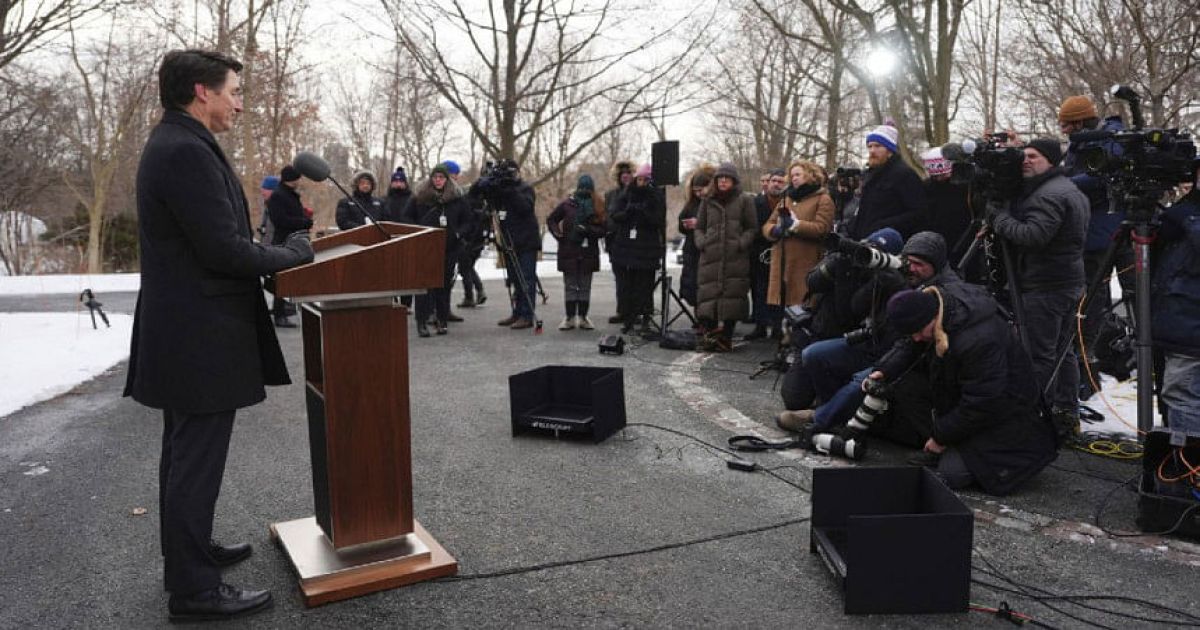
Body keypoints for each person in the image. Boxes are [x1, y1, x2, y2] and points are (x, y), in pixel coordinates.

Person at [124, 49, 314, 621]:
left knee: (185, 454)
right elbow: (223, 249)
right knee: (194, 458)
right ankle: (194, 589)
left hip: (188, 328)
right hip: (197, 334)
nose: (239, 100)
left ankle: (189, 553)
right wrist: (292, 254)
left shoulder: (180, 142)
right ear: (201, 91)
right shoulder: (182, 149)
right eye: (233, 90)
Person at [867, 287, 1058, 495]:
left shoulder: (978, 340)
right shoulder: (938, 313)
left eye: (918, 331)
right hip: (972, 399)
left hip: (1007, 414)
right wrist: (884, 370)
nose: (917, 338)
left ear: (931, 318)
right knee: (906, 387)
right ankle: (950, 444)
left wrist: (941, 437)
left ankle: (966, 450)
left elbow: (983, 402)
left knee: (952, 474)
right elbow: (909, 344)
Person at [989, 138, 1088, 439]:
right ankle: (1065, 412)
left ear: (1051, 160)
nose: (1025, 161)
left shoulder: (1047, 195)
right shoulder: (1068, 188)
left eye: (1034, 156)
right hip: (1069, 282)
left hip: (1045, 286)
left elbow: (1033, 235)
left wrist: (999, 217)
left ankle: (1033, 417)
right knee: (1063, 351)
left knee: (1040, 354)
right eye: (1024, 155)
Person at [1059, 95, 1134, 393]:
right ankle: (1088, 368)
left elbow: (1101, 177)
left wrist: (1063, 181)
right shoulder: (1083, 144)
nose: (1063, 129)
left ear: (1079, 121)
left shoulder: (1110, 142)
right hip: (1098, 234)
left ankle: (1131, 360)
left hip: (1109, 235)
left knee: (1107, 300)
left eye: (1066, 124)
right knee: (1093, 303)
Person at [1151, 161, 1200, 433]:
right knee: (1180, 397)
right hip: (1179, 324)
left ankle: (1188, 468)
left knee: (1185, 398)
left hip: (1191, 330)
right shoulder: (1184, 214)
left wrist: (1187, 218)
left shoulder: (1188, 216)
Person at [762, 160, 835, 336]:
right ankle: (784, 346)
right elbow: (767, 225)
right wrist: (776, 229)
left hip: (806, 262)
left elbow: (822, 229)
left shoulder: (823, 199)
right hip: (782, 262)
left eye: (798, 174)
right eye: (792, 175)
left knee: (802, 308)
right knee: (784, 307)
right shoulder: (787, 199)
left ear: (810, 175)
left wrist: (795, 225)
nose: (793, 179)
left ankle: (798, 346)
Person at [694, 162, 757, 351]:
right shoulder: (707, 200)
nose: (722, 182)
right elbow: (699, 227)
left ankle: (726, 338)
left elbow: (752, 228)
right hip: (710, 256)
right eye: (720, 178)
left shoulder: (745, 200)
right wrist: (702, 242)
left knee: (732, 297)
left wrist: (741, 243)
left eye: (726, 178)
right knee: (709, 296)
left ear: (733, 181)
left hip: (734, 258)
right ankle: (711, 337)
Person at [470, 159, 539, 329]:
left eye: (513, 173)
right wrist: (485, 181)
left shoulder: (525, 189)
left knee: (526, 279)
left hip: (526, 241)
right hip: (509, 241)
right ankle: (516, 313)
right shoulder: (500, 190)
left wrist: (509, 190)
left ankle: (527, 315)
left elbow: (525, 208)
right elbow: (474, 195)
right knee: (514, 279)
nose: (510, 177)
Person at [409, 162, 468, 337]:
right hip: (425, 246)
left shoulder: (457, 199)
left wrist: (458, 233)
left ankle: (442, 320)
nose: (438, 180)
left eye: (441, 177)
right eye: (435, 177)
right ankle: (422, 322)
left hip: (448, 248)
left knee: (443, 286)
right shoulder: (420, 197)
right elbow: (406, 217)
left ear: (446, 180)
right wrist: (418, 230)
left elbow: (468, 221)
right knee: (424, 287)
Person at [609, 163, 666, 334]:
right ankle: (629, 318)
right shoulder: (627, 194)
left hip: (647, 247)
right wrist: (628, 212)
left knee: (645, 285)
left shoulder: (656, 196)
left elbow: (658, 220)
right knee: (628, 285)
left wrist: (644, 213)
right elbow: (615, 214)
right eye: (639, 179)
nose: (641, 182)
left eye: (645, 179)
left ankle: (646, 318)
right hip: (627, 246)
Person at [547, 174, 607, 330]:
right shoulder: (567, 204)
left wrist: (588, 230)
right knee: (571, 285)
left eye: (588, 188)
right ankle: (569, 317)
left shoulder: (598, 205)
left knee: (585, 286)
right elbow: (552, 219)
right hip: (569, 250)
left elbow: (604, 229)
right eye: (582, 187)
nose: (585, 191)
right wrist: (558, 235)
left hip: (589, 251)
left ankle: (583, 317)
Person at [847, 123, 926, 240]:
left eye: (878, 146)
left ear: (890, 150)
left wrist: (883, 226)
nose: (872, 151)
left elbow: (918, 213)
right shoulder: (871, 175)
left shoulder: (904, 174)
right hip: (864, 242)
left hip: (889, 243)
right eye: (870, 146)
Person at [265, 164, 313, 327]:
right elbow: (280, 220)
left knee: (290, 276)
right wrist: (304, 222)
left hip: (294, 239)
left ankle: (286, 309)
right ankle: (279, 313)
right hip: (284, 241)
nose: (299, 181)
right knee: (282, 277)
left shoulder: (290, 195)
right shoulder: (278, 196)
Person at [747, 168, 787, 340]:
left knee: (779, 290)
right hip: (758, 250)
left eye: (780, 181)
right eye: (774, 181)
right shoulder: (756, 203)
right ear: (768, 182)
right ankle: (760, 325)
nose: (776, 184)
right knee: (759, 289)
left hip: (780, 251)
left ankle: (777, 326)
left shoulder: (788, 202)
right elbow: (750, 225)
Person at [677, 165, 715, 308]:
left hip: (706, 248)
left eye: (701, 190)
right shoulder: (691, 204)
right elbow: (681, 223)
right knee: (692, 286)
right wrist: (686, 225)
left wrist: (699, 224)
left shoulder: (714, 203)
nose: (698, 194)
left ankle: (706, 320)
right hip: (692, 248)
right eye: (695, 191)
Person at [604, 160, 635, 324]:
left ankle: (635, 312)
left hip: (634, 242)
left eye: (629, 173)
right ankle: (622, 311)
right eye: (623, 174)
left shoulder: (637, 193)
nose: (626, 176)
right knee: (621, 279)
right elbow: (608, 217)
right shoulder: (611, 195)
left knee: (634, 279)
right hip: (616, 241)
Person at [256, 175, 279, 244]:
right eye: (263, 188)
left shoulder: (279, 209)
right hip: (266, 249)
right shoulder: (267, 207)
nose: (262, 192)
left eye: (266, 189)